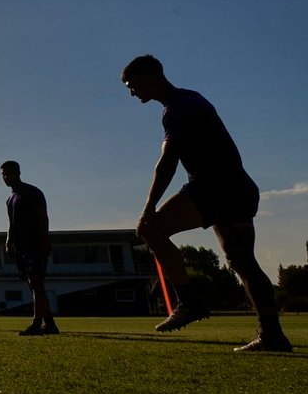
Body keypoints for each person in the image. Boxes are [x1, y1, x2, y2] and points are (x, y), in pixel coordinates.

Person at [122, 55, 291, 352]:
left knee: (152, 229)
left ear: (149, 77)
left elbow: (167, 163)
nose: (131, 92)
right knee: (242, 262)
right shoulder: (190, 100)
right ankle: (272, 334)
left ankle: (188, 302)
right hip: (239, 188)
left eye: (131, 84)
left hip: (213, 187)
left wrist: (148, 207)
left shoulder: (176, 109)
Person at [1, 160, 56, 336]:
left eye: (9, 173)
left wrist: (45, 240)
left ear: (18, 173)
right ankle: (50, 324)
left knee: (36, 283)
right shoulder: (10, 198)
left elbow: (43, 217)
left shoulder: (32, 192)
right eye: (3, 174)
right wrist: (9, 241)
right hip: (21, 247)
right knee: (33, 286)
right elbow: (11, 222)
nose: (6, 177)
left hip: (35, 244)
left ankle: (36, 323)